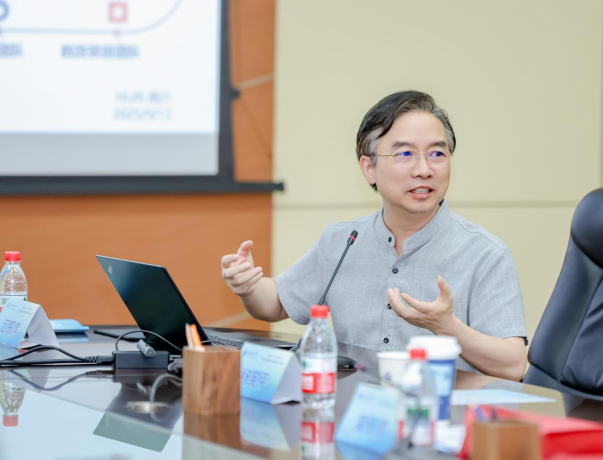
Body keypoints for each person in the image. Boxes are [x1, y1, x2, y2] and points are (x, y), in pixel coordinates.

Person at [221, 91, 527, 381]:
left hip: (439, 414)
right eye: (405, 153)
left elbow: (513, 366)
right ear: (369, 168)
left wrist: (447, 327)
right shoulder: (342, 241)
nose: (424, 169)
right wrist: (249, 285)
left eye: (437, 153)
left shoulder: (485, 254)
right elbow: (275, 303)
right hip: (352, 411)